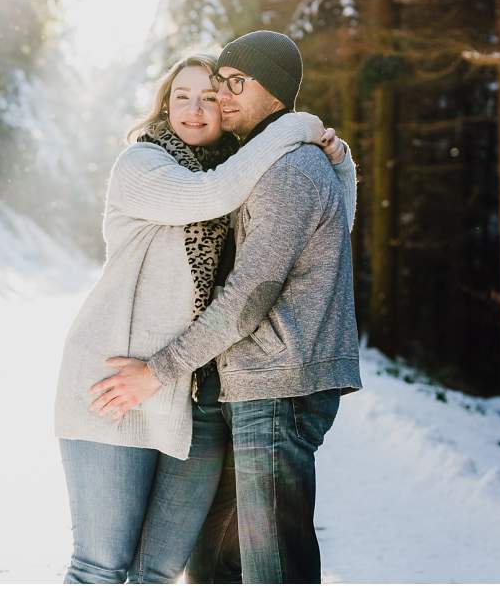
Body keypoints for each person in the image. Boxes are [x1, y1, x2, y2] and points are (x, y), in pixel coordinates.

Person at [53, 50, 356, 583]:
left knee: (160, 571)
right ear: (162, 104)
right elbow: (210, 195)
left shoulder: (249, 171)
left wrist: (338, 162)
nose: (195, 109)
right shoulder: (146, 165)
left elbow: (321, 229)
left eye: (212, 96)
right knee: (100, 567)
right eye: (180, 96)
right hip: (120, 375)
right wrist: (297, 128)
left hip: (190, 390)